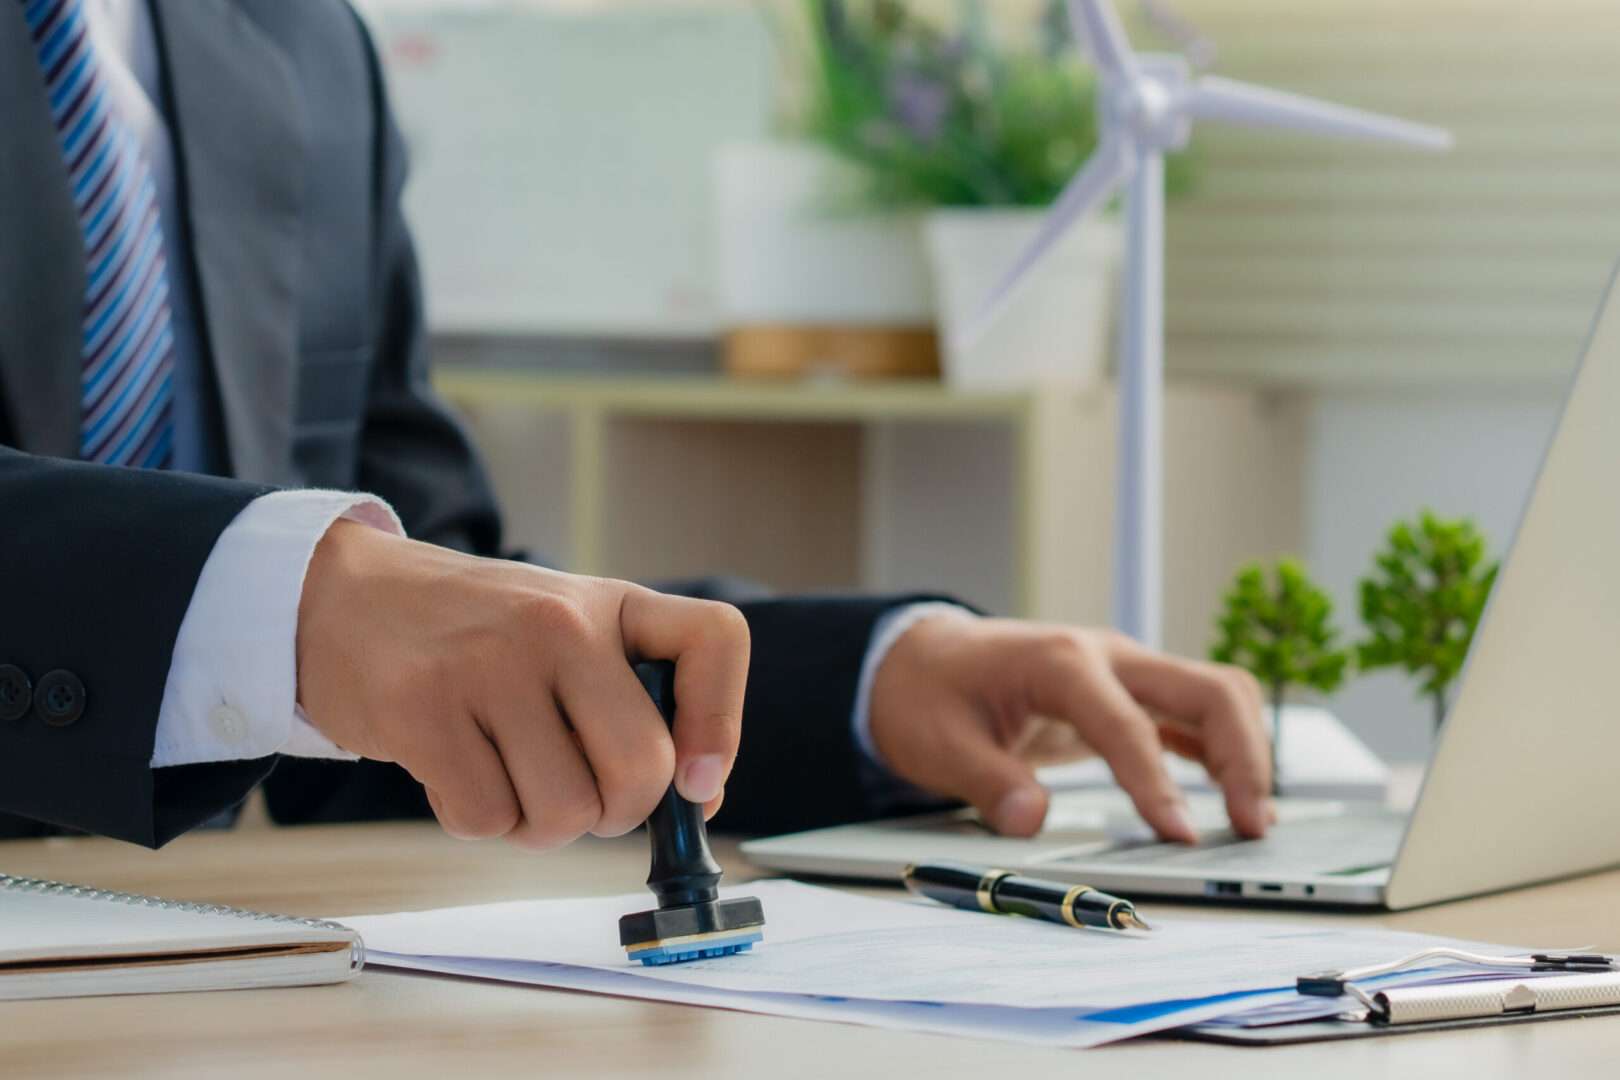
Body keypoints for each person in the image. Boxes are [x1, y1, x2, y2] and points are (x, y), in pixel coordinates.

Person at [0, 0, 1273, 851]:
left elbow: (427, 652)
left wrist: (869, 682)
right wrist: (301, 603)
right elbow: (321, 615)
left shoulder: (303, 46)